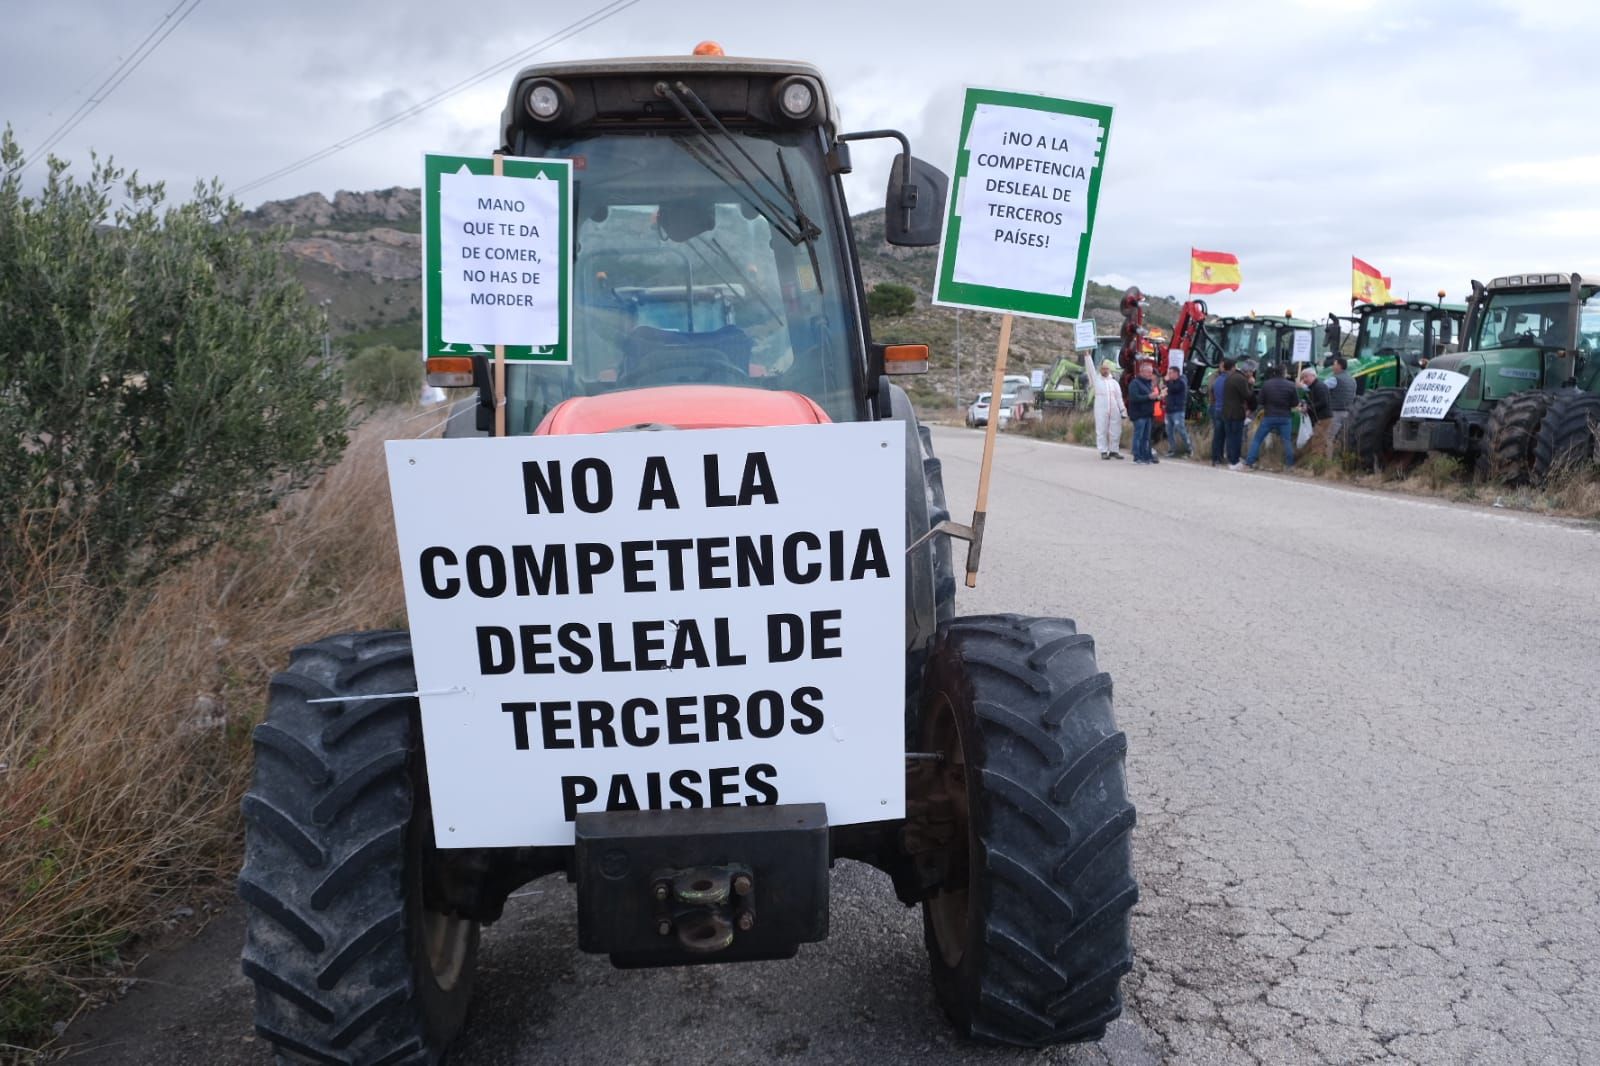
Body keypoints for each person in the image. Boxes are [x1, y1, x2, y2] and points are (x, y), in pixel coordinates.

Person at [1244, 364, 1298, 469]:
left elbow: (1260, 401)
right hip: (1285, 417)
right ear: (1284, 372)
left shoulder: (1266, 384)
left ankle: (1249, 461)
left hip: (1269, 416)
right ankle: (1289, 464)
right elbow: (1295, 403)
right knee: (1287, 440)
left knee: (1257, 439)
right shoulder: (1291, 385)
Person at [1084, 350, 1127, 459]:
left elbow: (1119, 397)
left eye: (1107, 368)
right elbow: (1090, 370)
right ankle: (1103, 451)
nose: (1105, 370)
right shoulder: (1096, 380)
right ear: (1100, 369)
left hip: (1114, 409)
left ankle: (1114, 450)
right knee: (1101, 429)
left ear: (1109, 369)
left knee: (1116, 430)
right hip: (1101, 408)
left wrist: (1122, 410)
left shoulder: (1114, 383)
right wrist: (1087, 356)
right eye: (1103, 368)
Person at [1221, 357, 1252, 469]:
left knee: (1229, 437)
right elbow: (1247, 395)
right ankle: (1235, 461)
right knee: (1236, 437)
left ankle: (1231, 459)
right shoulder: (1240, 379)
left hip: (1226, 411)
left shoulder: (1228, 378)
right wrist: (1250, 384)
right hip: (1236, 412)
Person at [1127, 358, 1159, 464]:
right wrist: (1149, 397)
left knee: (1146, 437)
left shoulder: (1149, 383)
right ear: (1142, 372)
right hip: (1139, 414)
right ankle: (1137, 456)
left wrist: (1157, 397)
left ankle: (1146, 456)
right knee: (1138, 436)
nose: (1150, 374)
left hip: (1148, 414)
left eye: (1151, 372)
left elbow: (1149, 397)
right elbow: (1134, 397)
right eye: (1148, 372)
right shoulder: (1135, 383)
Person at [1299, 368, 1333, 456]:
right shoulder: (1313, 387)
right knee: (1322, 440)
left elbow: (1323, 402)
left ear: (1313, 375)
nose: (1304, 380)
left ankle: (1315, 464)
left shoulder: (1320, 386)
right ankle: (1324, 463)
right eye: (1302, 378)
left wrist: (1309, 408)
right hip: (1320, 417)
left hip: (1323, 417)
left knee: (1317, 441)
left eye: (1306, 377)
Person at [1326, 356, 1356, 454]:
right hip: (1348, 413)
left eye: (1334, 364)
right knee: (1343, 438)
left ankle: (1327, 462)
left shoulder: (1334, 379)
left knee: (1328, 437)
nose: (1332, 367)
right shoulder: (1352, 380)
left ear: (1339, 366)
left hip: (1336, 412)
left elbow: (1321, 388)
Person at [1164, 366, 1191, 457]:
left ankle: (1189, 448)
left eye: (1170, 373)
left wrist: (1167, 381)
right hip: (1169, 410)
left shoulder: (1181, 382)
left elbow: (1174, 389)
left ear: (1176, 373)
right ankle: (1172, 449)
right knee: (1169, 431)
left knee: (1180, 429)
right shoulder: (1171, 383)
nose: (1169, 375)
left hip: (1178, 410)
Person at [1210, 362, 1230, 466]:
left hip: (1217, 407)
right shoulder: (1227, 380)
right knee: (1226, 435)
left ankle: (1217, 457)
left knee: (1218, 435)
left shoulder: (1217, 379)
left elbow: (1212, 391)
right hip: (1223, 409)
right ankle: (1221, 457)